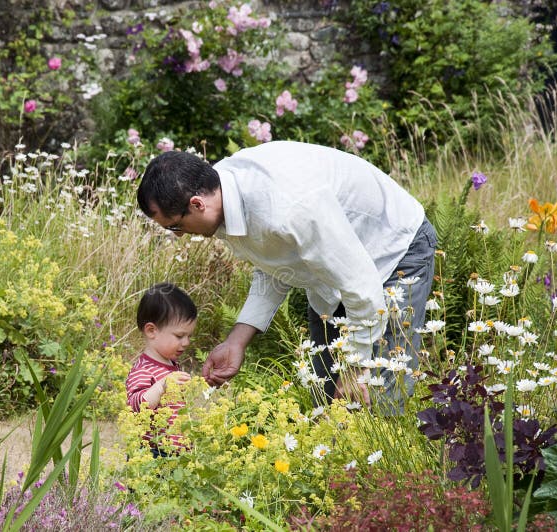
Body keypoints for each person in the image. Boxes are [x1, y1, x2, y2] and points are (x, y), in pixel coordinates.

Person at [136, 141, 437, 413]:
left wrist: (356, 368)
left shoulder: (289, 207)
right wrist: (236, 342)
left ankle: (388, 472)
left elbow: (363, 290)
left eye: (175, 226)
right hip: (335, 270)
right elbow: (274, 262)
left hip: (392, 252)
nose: (179, 236)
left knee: (377, 398)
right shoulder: (222, 193)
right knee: (327, 395)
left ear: (197, 205)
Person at [125, 282, 196, 455]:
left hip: (176, 451)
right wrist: (161, 386)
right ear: (151, 331)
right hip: (154, 452)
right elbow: (136, 406)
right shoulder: (143, 369)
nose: (186, 342)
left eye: (189, 336)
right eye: (180, 336)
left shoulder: (171, 365)